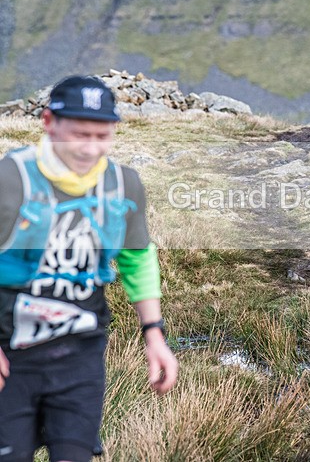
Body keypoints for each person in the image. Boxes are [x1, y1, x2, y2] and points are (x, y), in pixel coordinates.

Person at [0, 76, 178, 462]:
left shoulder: (122, 184)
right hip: (11, 356)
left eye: (102, 136)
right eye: (80, 135)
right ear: (49, 121)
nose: (90, 148)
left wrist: (154, 334)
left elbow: (137, 257)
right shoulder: (11, 178)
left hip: (80, 356)